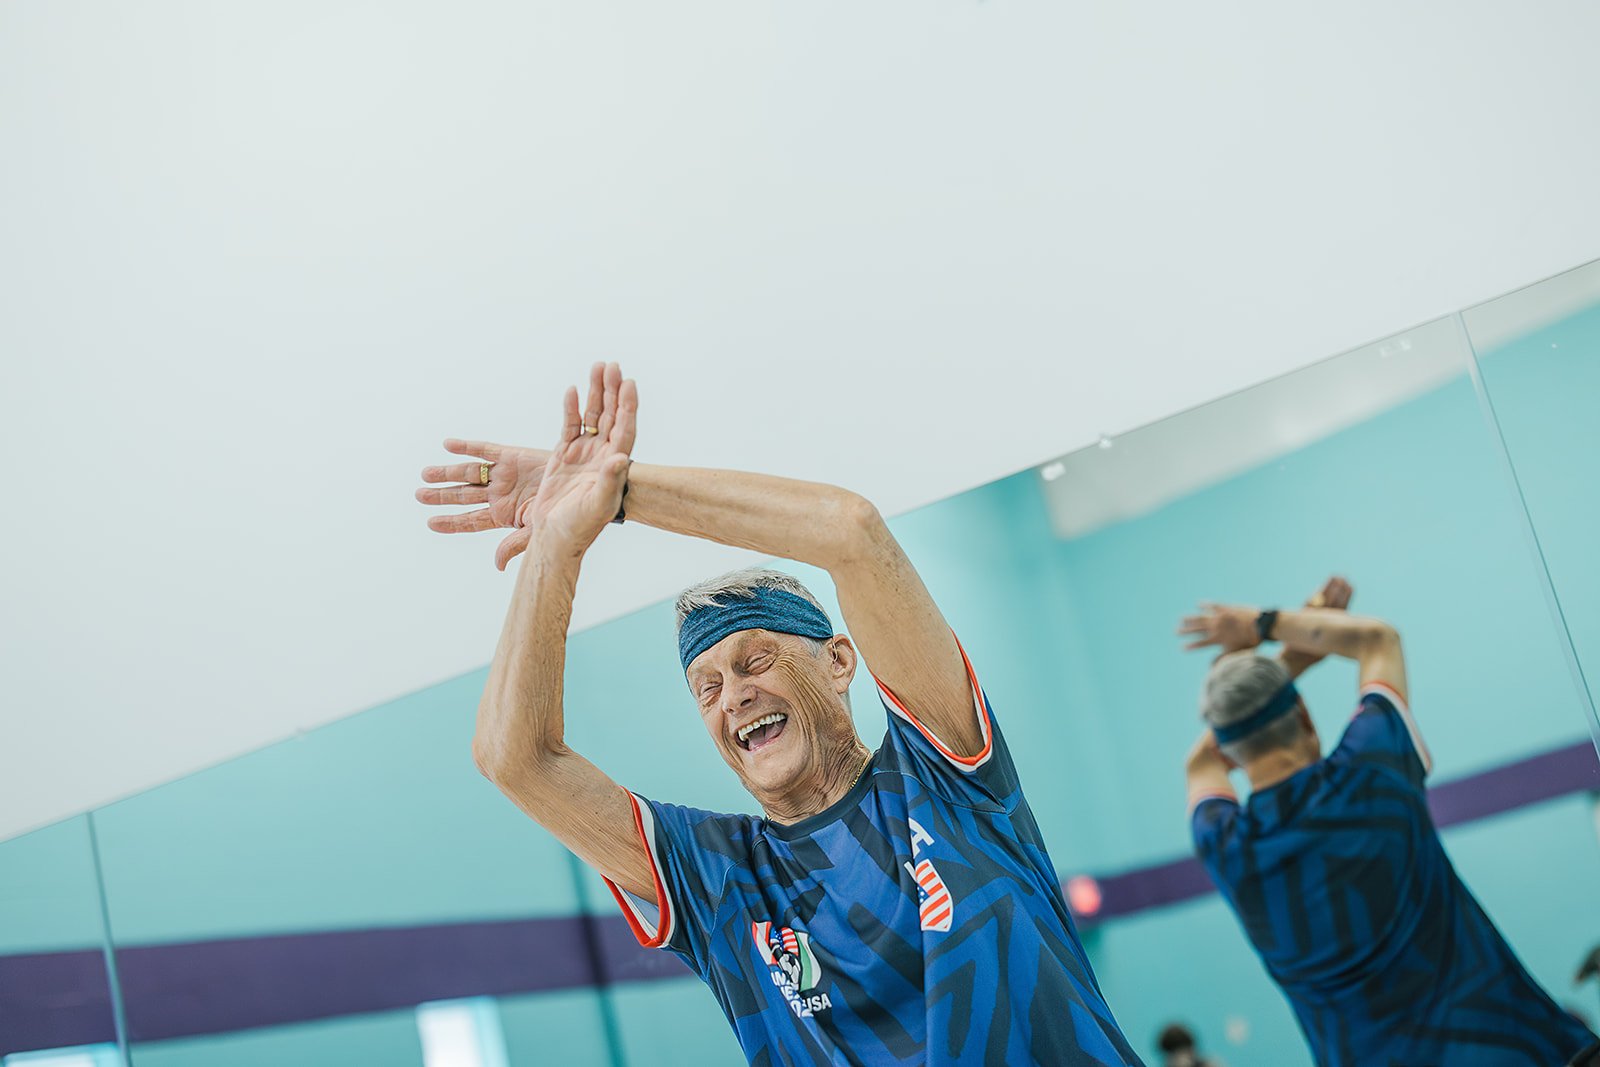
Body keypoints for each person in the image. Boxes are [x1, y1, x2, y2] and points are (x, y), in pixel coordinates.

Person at [419, 363, 1142, 1066]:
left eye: (756, 659)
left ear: (838, 662)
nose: (733, 694)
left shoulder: (946, 774)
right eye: (706, 686)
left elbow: (852, 531)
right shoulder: (716, 877)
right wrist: (553, 538)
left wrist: (617, 493)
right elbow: (512, 758)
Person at [1177, 584, 1600, 1067]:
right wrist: (1265, 625)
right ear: (1304, 715)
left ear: (1230, 751)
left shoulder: (1225, 845)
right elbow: (1377, 640)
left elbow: (1199, 761)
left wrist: (1278, 671)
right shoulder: (1373, 766)